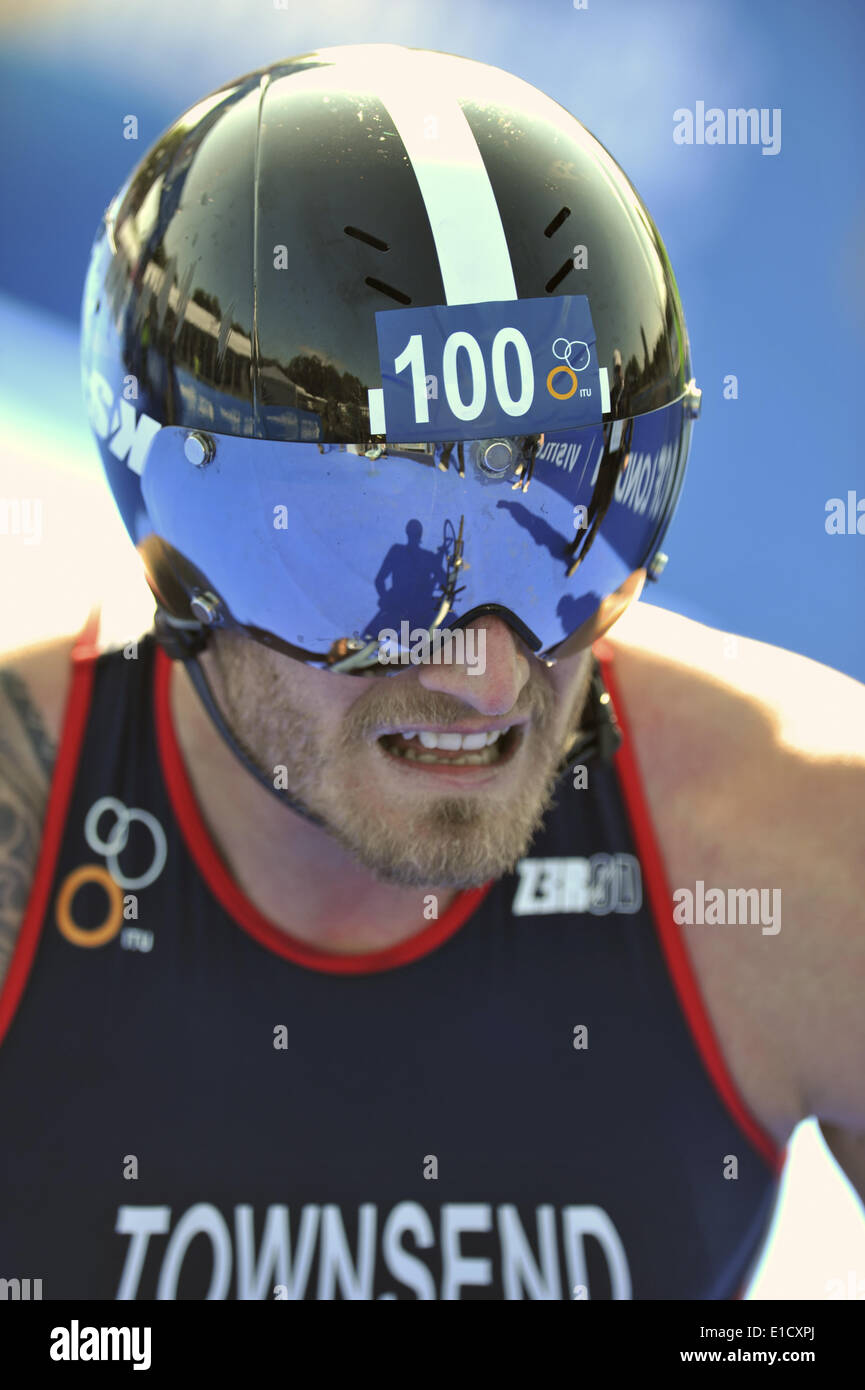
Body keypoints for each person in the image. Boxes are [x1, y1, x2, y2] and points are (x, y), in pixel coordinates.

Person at [0, 42, 862, 1302]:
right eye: (377, 558)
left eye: (562, 521)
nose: (489, 672)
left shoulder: (803, 851)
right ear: (177, 553)